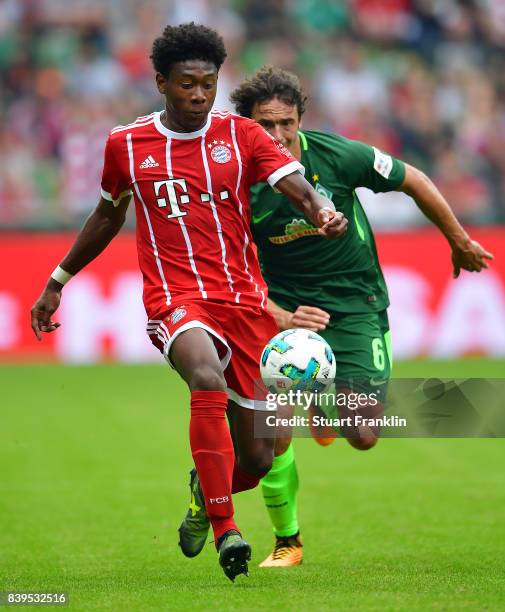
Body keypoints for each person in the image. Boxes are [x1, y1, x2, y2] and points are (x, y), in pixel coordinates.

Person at [29, 25, 348, 582]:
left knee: (259, 458)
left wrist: (321, 210)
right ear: (161, 83)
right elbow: (108, 215)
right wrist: (58, 279)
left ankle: (206, 496)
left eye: (208, 84)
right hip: (175, 298)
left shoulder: (242, 134)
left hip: (245, 303)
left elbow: (295, 184)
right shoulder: (126, 144)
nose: (199, 95)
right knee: (203, 374)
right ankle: (228, 530)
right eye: (186, 85)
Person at [230, 66, 494, 568]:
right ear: (247, 125)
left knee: (364, 434)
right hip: (282, 308)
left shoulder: (337, 155)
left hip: (355, 302)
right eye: (265, 125)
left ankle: (323, 404)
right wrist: (279, 314)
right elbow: (228, 271)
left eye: (286, 123)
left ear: (301, 119)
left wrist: (457, 240)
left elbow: (412, 178)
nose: (278, 135)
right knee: (270, 429)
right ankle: (288, 542)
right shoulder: (238, 182)